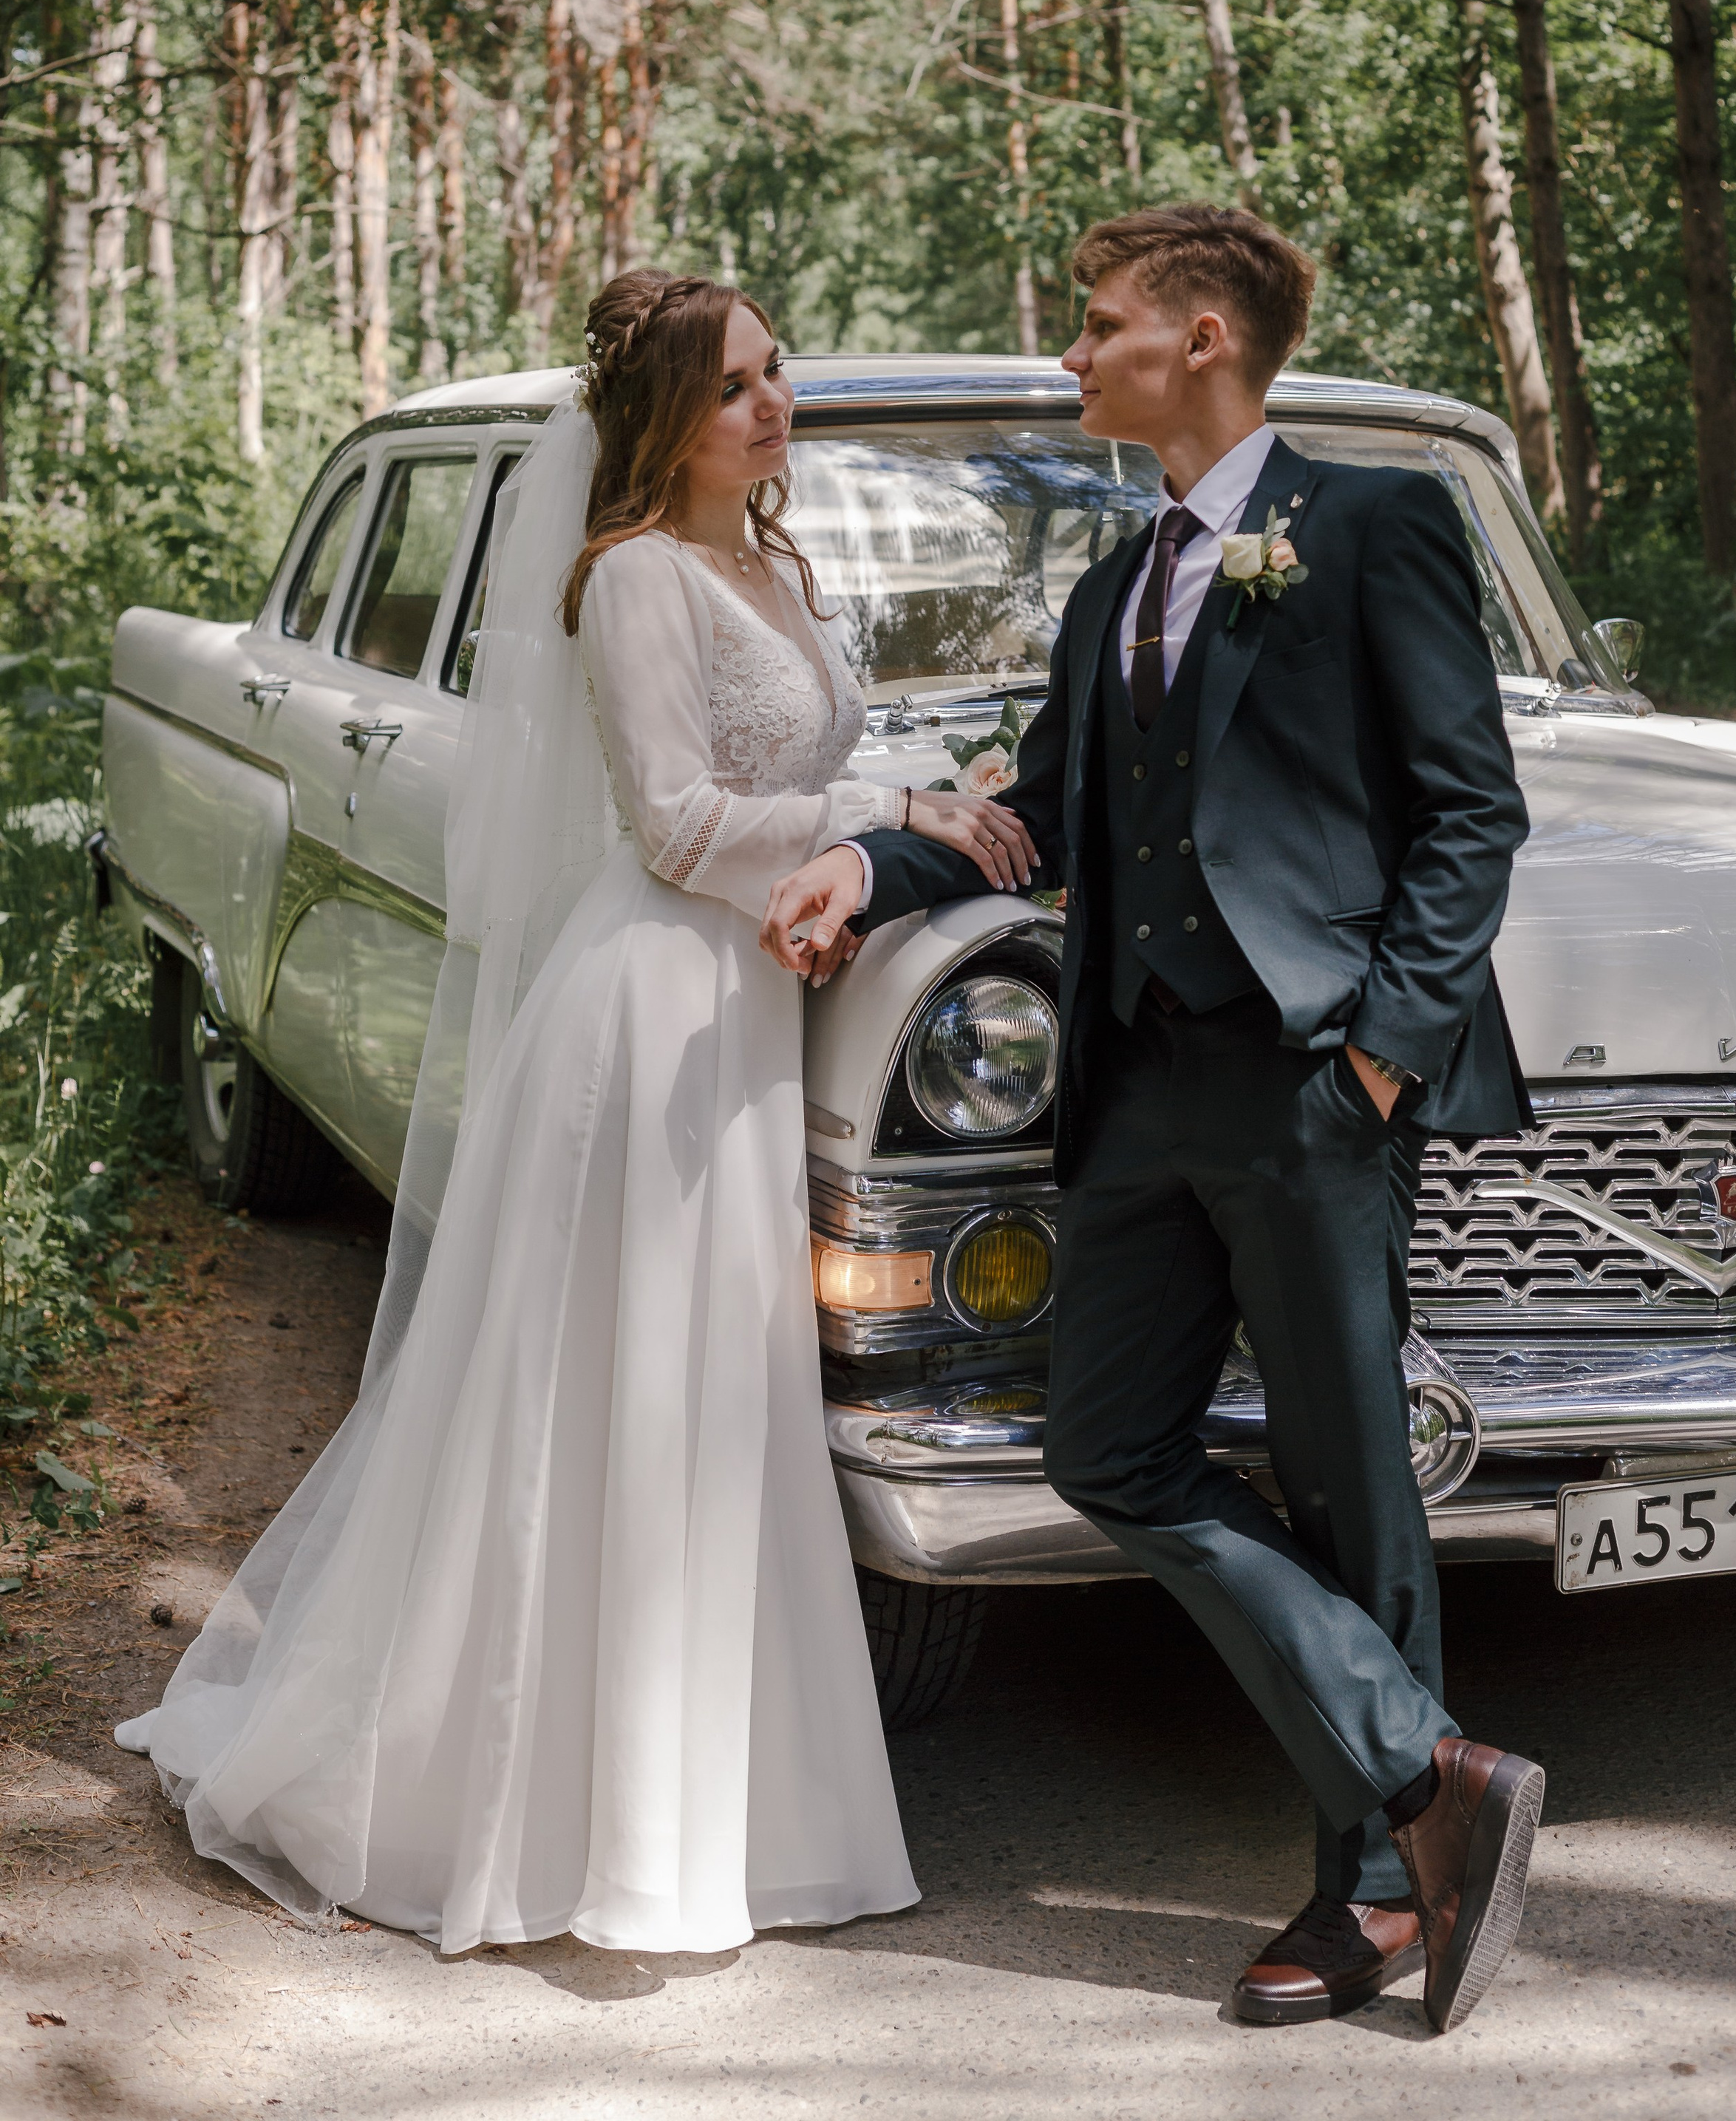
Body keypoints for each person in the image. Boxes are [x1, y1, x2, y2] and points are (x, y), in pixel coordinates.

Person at [117, 270, 1032, 1956]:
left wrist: (905, 816)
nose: (772, 406)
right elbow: (681, 825)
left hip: (752, 1004)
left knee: (712, 1399)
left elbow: (789, 771)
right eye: (732, 389)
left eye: (776, 373)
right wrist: (881, 806)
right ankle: (549, 1813)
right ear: (658, 424)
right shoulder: (629, 579)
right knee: (625, 1395)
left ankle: (705, 1805)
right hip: (658, 1008)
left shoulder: (767, 559)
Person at [761, 205, 1545, 2035]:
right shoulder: (1114, 588)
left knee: (1354, 1485)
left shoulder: (1368, 525)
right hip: (1131, 1095)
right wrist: (856, 869)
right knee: (1108, 1452)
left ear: (1199, 339)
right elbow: (1025, 813)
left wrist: (1374, 1051)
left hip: (1305, 1085)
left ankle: (1375, 1892)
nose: (1072, 353)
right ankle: (1434, 1769)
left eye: (1098, 326)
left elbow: (1466, 813)